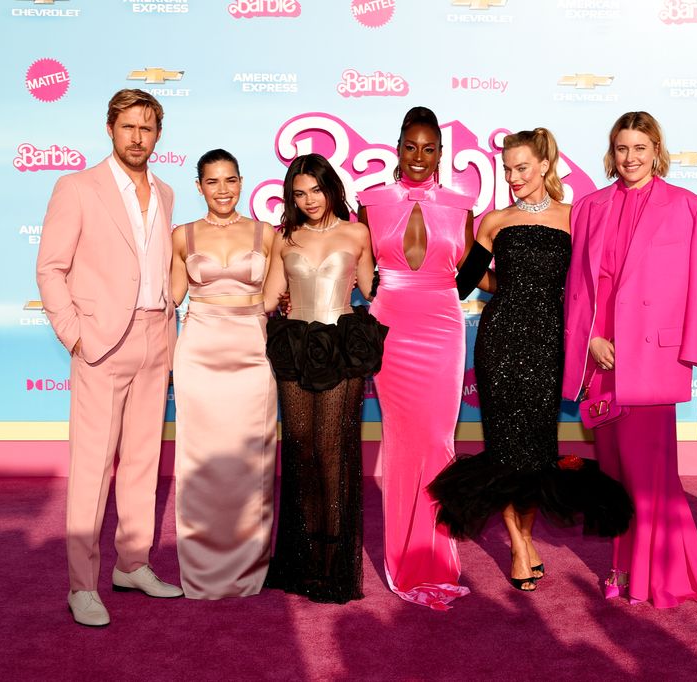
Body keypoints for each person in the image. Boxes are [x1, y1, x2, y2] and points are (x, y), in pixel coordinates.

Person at [562, 111, 697, 608]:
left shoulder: (688, 209)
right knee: (612, 473)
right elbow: (580, 288)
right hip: (602, 358)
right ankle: (621, 566)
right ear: (612, 153)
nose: (631, 158)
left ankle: (655, 572)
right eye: (622, 148)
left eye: (640, 148)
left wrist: (694, 353)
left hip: (652, 361)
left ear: (656, 150)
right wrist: (589, 341)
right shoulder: (589, 206)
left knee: (648, 476)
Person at [428, 129, 633, 592]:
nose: (514, 177)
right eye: (507, 170)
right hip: (500, 342)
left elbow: (591, 283)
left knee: (536, 451)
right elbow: (465, 284)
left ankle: (525, 539)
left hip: (548, 346)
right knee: (504, 451)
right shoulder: (494, 222)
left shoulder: (575, 216)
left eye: (522, 168)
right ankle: (520, 547)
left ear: (545, 165)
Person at [36, 89, 183, 626]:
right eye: (128, 127)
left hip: (154, 338)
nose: (137, 137)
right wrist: (75, 335)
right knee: (93, 468)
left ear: (158, 135)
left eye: (147, 128)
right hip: (101, 343)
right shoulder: (77, 187)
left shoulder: (166, 192)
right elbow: (50, 267)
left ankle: (133, 564)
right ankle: (82, 586)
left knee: (143, 463)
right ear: (110, 128)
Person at [356, 106, 474, 610]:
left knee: (439, 442)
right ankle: (403, 559)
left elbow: (471, 275)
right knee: (402, 445)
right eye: (411, 146)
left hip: (443, 327)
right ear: (397, 147)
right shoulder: (372, 202)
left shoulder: (462, 205)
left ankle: (438, 557)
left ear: (441, 154)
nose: (419, 157)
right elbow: (354, 265)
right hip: (391, 329)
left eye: (429, 148)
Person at [261, 153, 383, 604]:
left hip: (340, 344)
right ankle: (305, 556)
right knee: (301, 451)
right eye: (299, 193)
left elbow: (372, 290)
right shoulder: (284, 238)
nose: (309, 200)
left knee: (332, 451)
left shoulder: (357, 233)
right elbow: (271, 296)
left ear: (331, 187)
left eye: (316, 189)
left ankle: (334, 564)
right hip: (294, 346)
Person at [170, 149, 278, 599]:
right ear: (199, 186)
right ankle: (200, 567)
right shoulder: (182, 236)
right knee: (200, 459)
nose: (222, 190)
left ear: (241, 181)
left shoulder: (266, 233)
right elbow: (171, 296)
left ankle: (249, 566)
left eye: (230, 180)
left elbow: (274, 299)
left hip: (252, 352)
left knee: (251, 460)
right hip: (199, 353)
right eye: (212, 182)